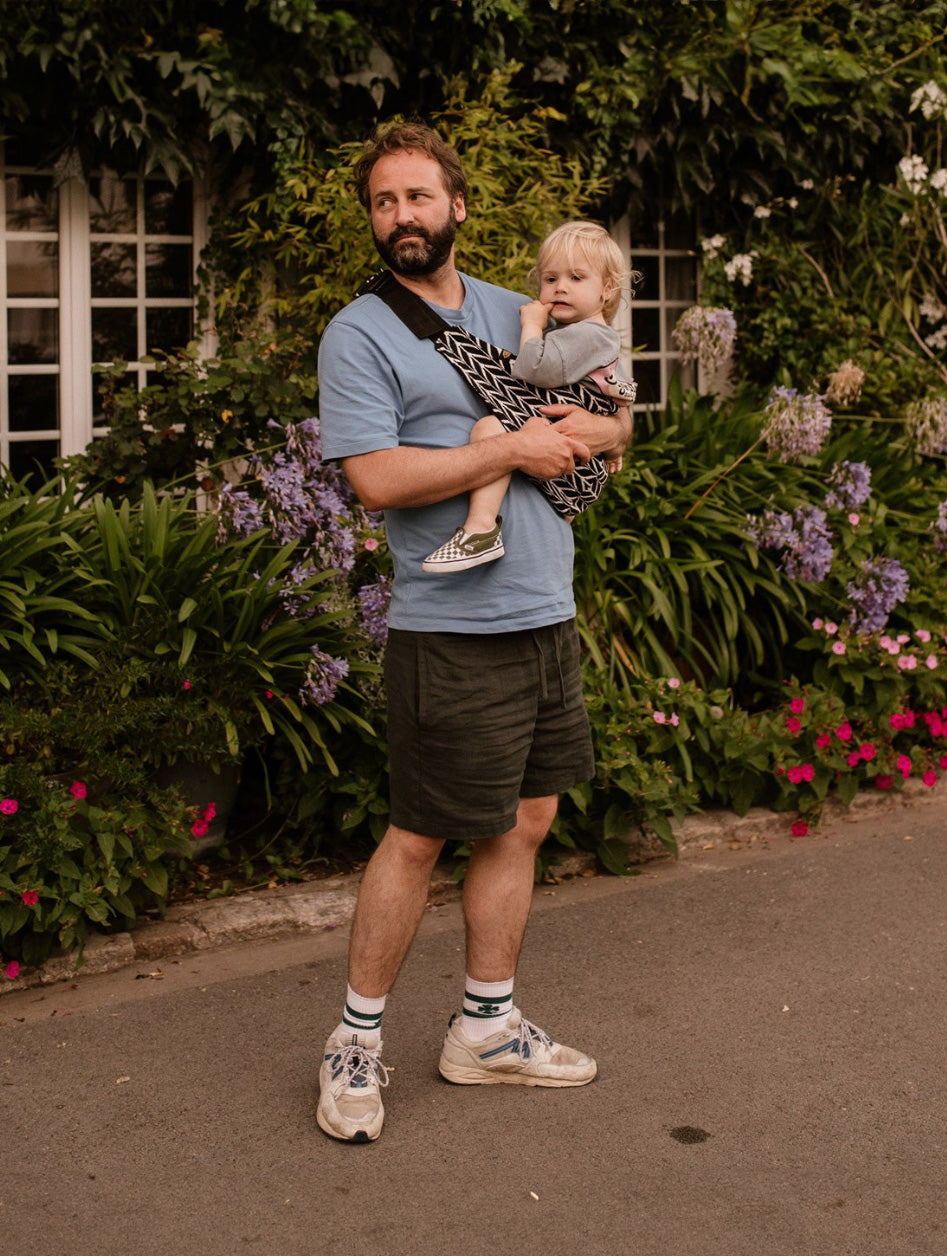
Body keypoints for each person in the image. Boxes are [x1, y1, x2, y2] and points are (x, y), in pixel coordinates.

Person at [315, 121, 632, 1144]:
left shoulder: (521, 308)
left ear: (459, 206)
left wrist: (575, 436)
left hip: (547, 608)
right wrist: (507, 447)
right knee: (420, 832)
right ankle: (357, 1038)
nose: (401, 216)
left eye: (418, 196)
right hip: (450, 624)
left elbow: (615, 422)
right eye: (383, 201)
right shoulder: (360, 333)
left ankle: (485, 1026)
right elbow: (376, 476)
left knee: (526, 820)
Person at [422, 219, 637, 574]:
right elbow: (621, 390)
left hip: (561, 439)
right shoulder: (595, 335)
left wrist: (532, 326)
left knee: (489, 431)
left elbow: (535, 369)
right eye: (550, 279)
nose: (560, 288)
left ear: (607, 288)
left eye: (576, 278)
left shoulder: (586, 335)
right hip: (577, 456)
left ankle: (480, 528)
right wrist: (614, 439)